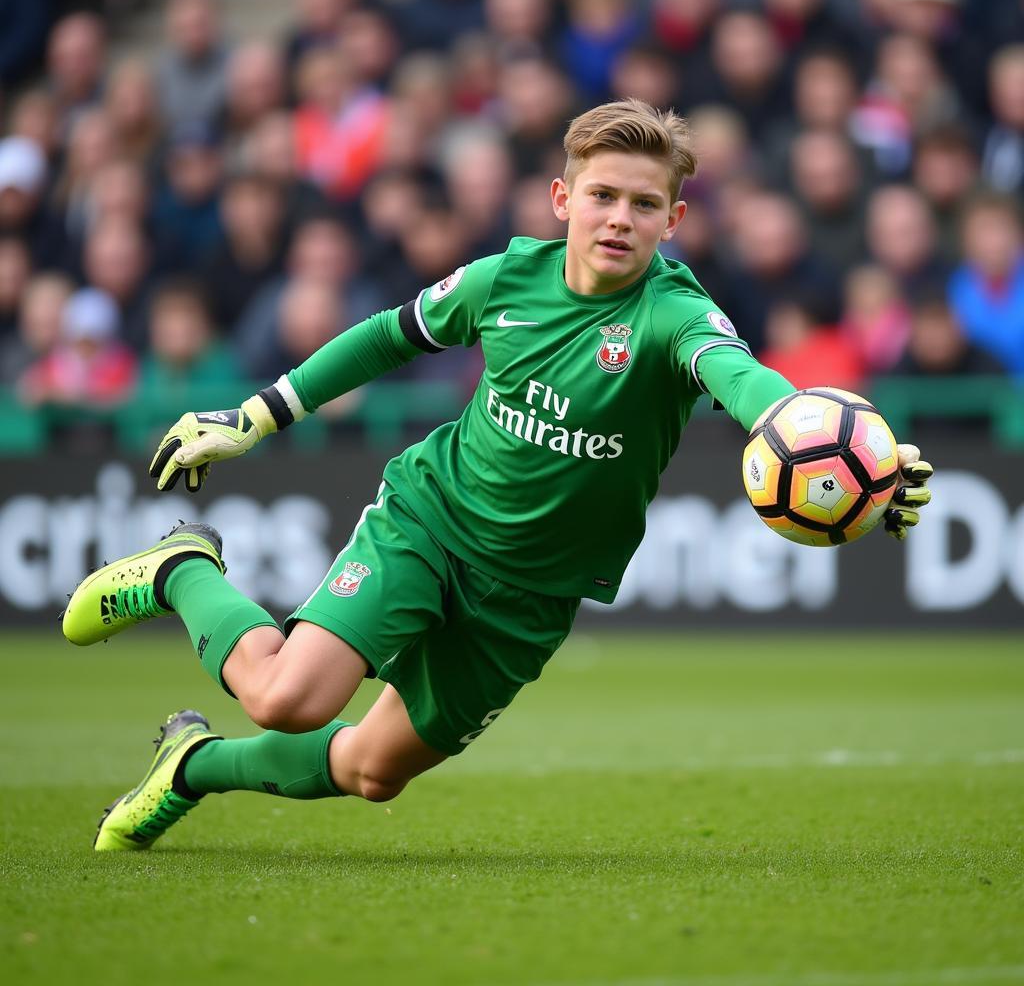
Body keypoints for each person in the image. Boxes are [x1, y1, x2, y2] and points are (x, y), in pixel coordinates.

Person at [60, 100, 934, 852]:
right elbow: (389, 335)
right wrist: (257, 415)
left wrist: (833, 449)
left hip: (531, 596)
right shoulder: (505, 278)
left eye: (644, 203)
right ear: (564, 198)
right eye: (601, 196)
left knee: (369, 771)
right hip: (433, 522)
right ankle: (182, 570)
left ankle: (192, 764)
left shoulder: (676, 314)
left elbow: (741, 378)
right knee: (290, 698)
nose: (619, 218)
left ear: (673, 220)